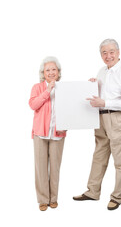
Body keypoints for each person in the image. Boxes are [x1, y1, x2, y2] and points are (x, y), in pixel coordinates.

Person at [73, 39, 121, 210]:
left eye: (111, 51)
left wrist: (104, 103)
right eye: (104, 53)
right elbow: (101, 95)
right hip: (100, 118)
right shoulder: (101, 71)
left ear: (118, 52)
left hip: (118, 119)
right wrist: (93, 86)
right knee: (99, 156)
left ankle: (117, 196)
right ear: (101, 55)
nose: (108, 56)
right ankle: (92, 191)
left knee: (120, 161)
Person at [29, 56, 66, 211]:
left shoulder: (64, 88)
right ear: (43, 73)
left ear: (58, 72)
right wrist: (47, 91)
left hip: (58, 133)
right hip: (40, 134)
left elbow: (71, 110)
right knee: (41, 167)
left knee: (55, 167)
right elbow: (33, 105)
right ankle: (43, 199)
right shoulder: (37, 87)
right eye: (48, 70)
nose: (51, 72)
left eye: (54, 69)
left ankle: (53, 199)